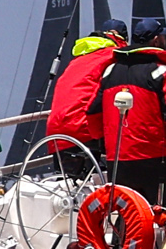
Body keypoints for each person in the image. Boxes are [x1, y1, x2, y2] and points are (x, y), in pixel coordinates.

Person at [94, 17, 166, 203]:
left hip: (118, 163)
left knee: (129, 221)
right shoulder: (165, 73)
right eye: (163, 38)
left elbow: (93, 114)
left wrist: (106, 149)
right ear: (156, 40)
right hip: (158, 165)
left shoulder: (109, 71)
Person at [42, 20, 127, 170]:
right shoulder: (114, 56)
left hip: (56, 131)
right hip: (83, 130)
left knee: (72, 183)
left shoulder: (78, 59)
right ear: (123, 38)